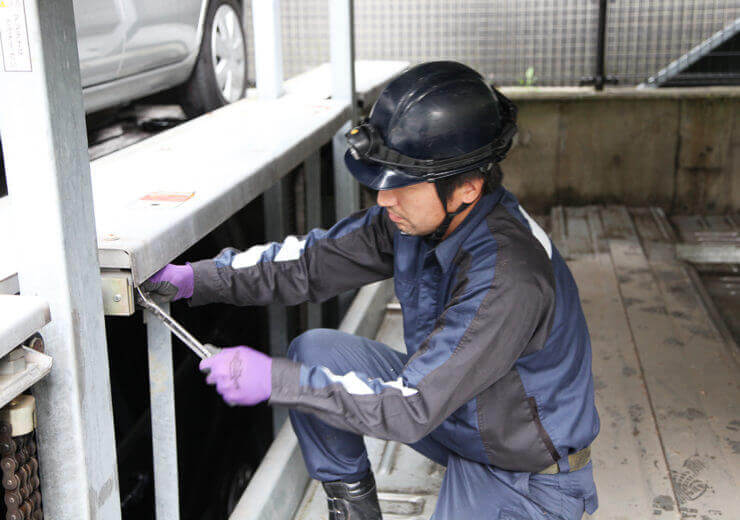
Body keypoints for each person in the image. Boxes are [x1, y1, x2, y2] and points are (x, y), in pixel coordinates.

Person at [143, 61, 599, 520]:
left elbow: (413, 405)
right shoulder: (421, 221)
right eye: (382, 181)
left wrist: (277, 380)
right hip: (459, 417)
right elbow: (311, 261)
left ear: (466, 188)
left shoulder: (508, 277)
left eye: (401, 186)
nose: (384, 199)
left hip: (526, 476)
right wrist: (197, 279)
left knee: (308, 381)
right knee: (316, 352)